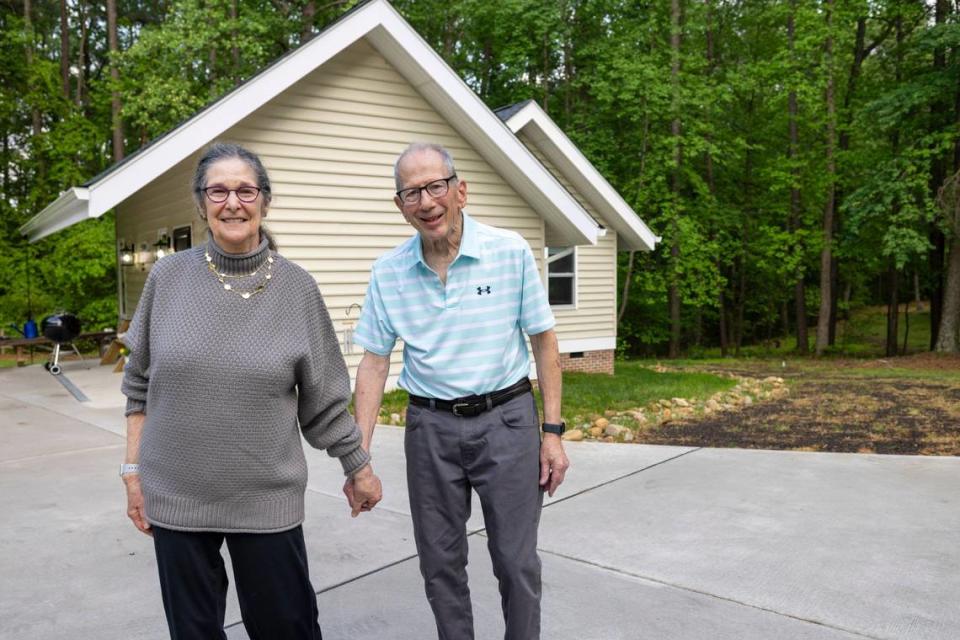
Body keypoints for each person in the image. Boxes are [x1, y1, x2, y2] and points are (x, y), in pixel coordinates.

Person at [120, 142, 382, 639]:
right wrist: (133, 473)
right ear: (201, 203)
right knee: (193, 632)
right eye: (218, 191)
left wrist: (359, 468)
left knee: (287, 628)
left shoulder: (297, 288)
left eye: (245, 190)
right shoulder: (167, 278)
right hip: (175, 496)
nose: (232, 202)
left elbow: (324, 401)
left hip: (266, 499)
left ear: (264, 200)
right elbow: (138, 386)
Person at [352, 142, 570, 640]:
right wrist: (359, 455)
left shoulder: (508, 250)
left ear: (460, 190)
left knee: (516, 563)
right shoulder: (389, 272)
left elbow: (544, 340)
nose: (427, 202)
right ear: (400, 206)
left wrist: (552, 432)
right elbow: (374, 362)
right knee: (439, 564)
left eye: (435, 186)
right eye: (412, 193)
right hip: (430, 429)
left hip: (507, 423)